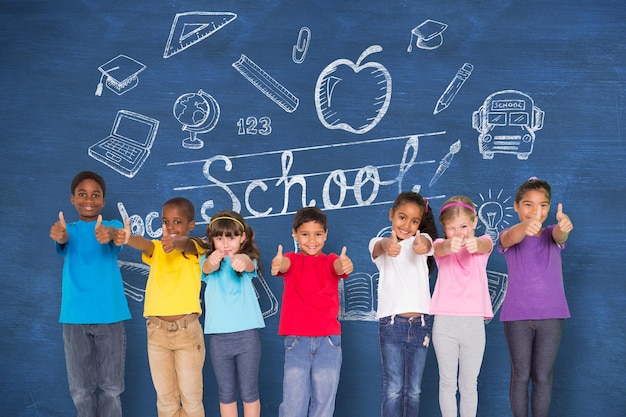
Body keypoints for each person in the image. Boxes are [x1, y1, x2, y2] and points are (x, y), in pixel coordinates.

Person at [49, 170, 131, 417]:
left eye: (96, 195)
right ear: (72, 199)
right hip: (74, 318)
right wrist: (61, 235)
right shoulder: (69, 230)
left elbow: (118, 236)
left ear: (103, 201)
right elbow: (62, 238)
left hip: (111, 316)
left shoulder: (111, 225)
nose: (89, 199)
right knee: (80, 390)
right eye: (82, 194)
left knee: (112, 388)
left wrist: (110, 235)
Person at [119, 197, 206, 417]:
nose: (170, 227)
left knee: (191, 400)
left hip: (187, 334)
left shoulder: (195, 248)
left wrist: (175, 242)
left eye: (177, 222)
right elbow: (145, 244)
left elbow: (186, 244)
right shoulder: (157, 248)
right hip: (156, 334)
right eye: (166, 222)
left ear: (191, 225)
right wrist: (129, 238)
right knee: (166, 400)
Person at [498, 177, 573, 417]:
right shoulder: (508, 235)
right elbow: (512, 237)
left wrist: (564, 226)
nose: (536, 211)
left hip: (552, 316)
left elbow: (561, 236)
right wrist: (525, 226)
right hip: (517, 317)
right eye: (528, 204)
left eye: (543, 205)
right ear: (516, 206)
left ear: (549, 208)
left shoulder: (552, 234)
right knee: (520, 376)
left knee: (542, 376)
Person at [271, 206, 354, 417]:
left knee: (324, 406)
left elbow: (338, 267)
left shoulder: (330, 261)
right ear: (295, 234)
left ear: (326, 234)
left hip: (328, 342)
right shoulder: (292, 260)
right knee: (293, 405)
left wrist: (344, 264)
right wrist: (278, 263)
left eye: (318, 234)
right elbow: (283, 265)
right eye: (305, 234)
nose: (312, 240)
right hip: (296, 342)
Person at [368, 191, 438, 417]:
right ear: (391, 215)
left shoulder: (423, 241)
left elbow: (427, 245)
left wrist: (421, 244)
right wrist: (389, 244)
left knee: (414, 390)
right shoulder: (381, 244)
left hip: (421, 325)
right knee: (393, 389)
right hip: (391, 324)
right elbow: (379, 246)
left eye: (414, 221)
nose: (407, 225)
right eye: (402, 217)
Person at [431, 196, 494, 417]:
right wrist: (450, 244)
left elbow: (485, 244)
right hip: (445, 324)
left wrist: (474, 243)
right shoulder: (440, 245)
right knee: (447, 383)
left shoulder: (483, 242)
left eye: (464, 226)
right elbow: (440, 249)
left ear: (475, 222)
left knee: (469, 385)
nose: (459, 233)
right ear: (444, 230)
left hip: (474, 325)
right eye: (452, 229)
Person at [198, 210, 265, 417]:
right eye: (219, 238)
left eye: (232, 237)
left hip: (247, 337)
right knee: (226, 393)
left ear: (242, 237)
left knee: (249, 391)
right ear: (212, 239)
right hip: (219, 339)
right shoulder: (205, 261)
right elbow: (207, 269)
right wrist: (213, 261)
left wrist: (241, 259)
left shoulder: (248, 258)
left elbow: (248, 264)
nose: (225, 244)